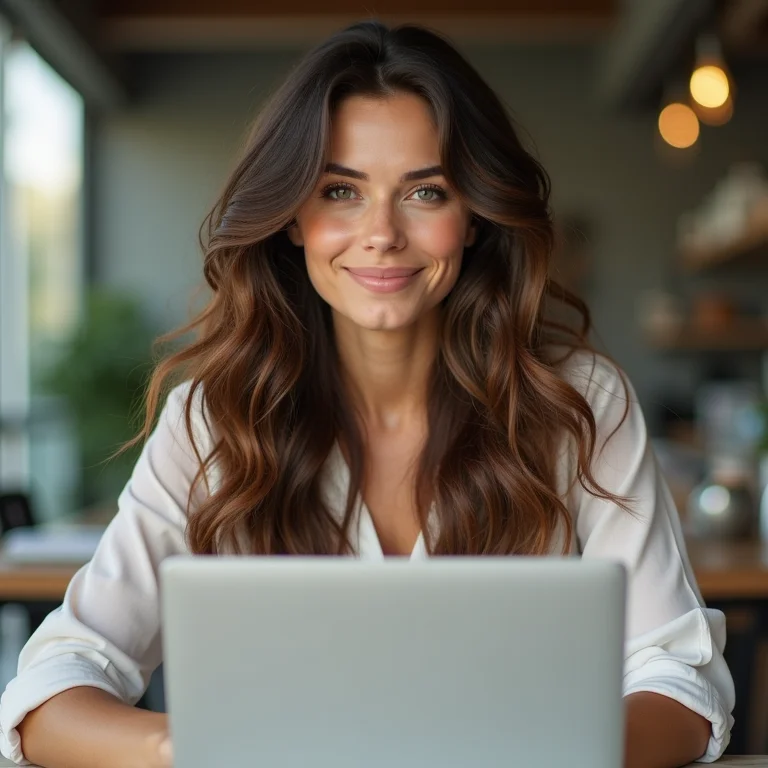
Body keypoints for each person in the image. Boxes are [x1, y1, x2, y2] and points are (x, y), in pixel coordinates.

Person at [0, 20, 734, 768]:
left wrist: (544, 755)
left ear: (473, 215)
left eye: (425, 190)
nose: (381, 233)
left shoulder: (576, 402)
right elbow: (50, 692)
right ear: (292, 217)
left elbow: (680, 681)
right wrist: (201, 750)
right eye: (341, 191)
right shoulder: (216, 419)